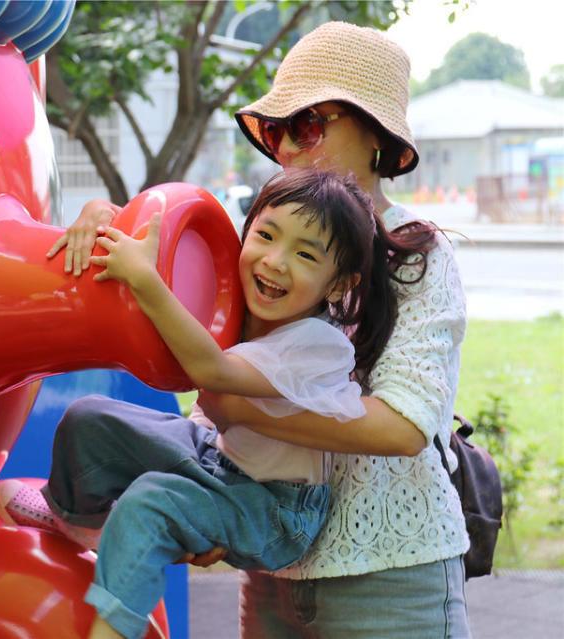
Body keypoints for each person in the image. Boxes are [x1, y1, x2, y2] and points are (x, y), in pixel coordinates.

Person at [0, 166, 439, 639]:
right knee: (90, 419)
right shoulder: (245, 297)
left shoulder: (320, 346)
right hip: (219, 458)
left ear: (338, 285)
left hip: (278, 510)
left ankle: (115, 625)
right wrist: (97, 217)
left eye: (305, 254)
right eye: (266, 235)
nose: (274, 261)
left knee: (151, 502)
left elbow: (212, 372)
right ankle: (79, 520)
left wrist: (146, 281)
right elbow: (157, 236)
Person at [197, 21, 470, 638]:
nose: (288, 149)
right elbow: (225, 374)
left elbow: (404, 426)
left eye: (309, 124)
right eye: (275, 130)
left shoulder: (416, 255)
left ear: (375, 136)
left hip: (394, 575)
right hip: (271, 564)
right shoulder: (267, 245)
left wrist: (240, 410)